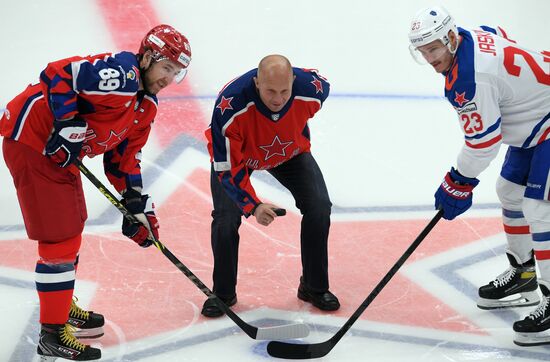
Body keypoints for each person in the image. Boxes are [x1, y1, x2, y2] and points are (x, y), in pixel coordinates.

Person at [0, 24, 191, 360]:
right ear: (147, 57)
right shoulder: (122, 74)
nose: (168, 80)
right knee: (60, 238)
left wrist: (137, 205)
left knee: (73, 225)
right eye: (166, 69)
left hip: (57, 153)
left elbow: (123, 161)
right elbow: (57, 74)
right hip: (32, 142)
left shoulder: (145, 107)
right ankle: (52, 333)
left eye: (176, 74)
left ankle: (60, 305)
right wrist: (67, 123)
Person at [408, 6, 550, 346]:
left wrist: (458, 181)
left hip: (544, 122)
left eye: (434, 48)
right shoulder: (468, 40)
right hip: (537, 120)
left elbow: (484, 142)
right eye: (423, 51)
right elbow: (496, 31)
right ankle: (524, 273)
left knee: (539, 209)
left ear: (451, 39)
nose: (430, 58)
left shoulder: (470, 78)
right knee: (509, 192)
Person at [202, 55, 340, 317]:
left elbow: (318, 81)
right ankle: (222, 293)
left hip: (289, 153)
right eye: (270, 91)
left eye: (285, 90)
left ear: (293, 82)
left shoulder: (312, 90)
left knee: (319, 206)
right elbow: (227, 168)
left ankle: (313, 286)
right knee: (225, 217)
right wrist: (252, 206)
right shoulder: (230, 106)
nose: (278, 99)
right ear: (256, 82)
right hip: (240, 158)